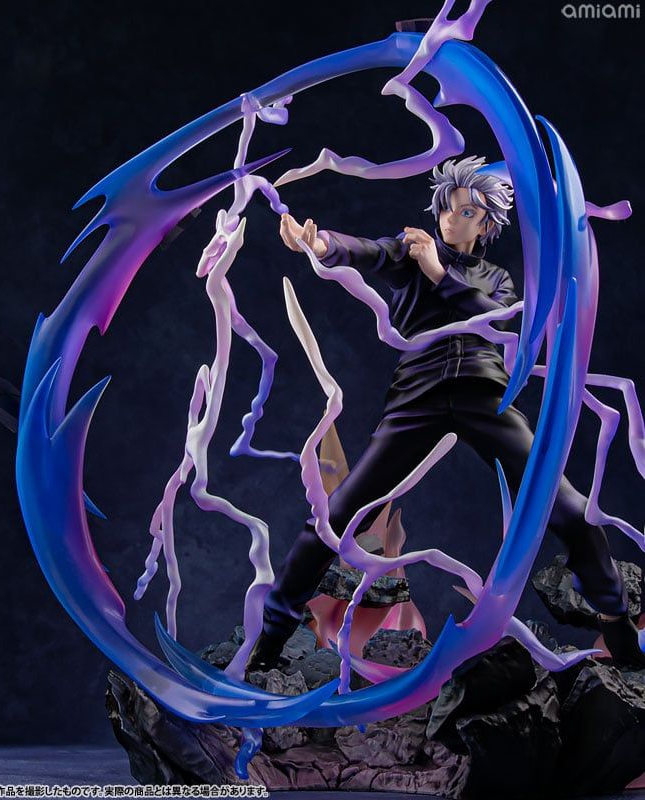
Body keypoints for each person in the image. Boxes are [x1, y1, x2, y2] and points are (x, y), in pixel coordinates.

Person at [245, 155, 645, 672]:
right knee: (336, 515)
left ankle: (618, 627)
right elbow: (365, 251)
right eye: (447, 208)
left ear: (486, 224)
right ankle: (269, 640)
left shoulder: (496, 278)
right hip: (418, 398)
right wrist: (318, 244)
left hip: (486, 397)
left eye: (465, 212)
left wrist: (440, 273)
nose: (450, 219)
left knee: (570, 509)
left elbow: (498, 321)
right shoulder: (411, 251)